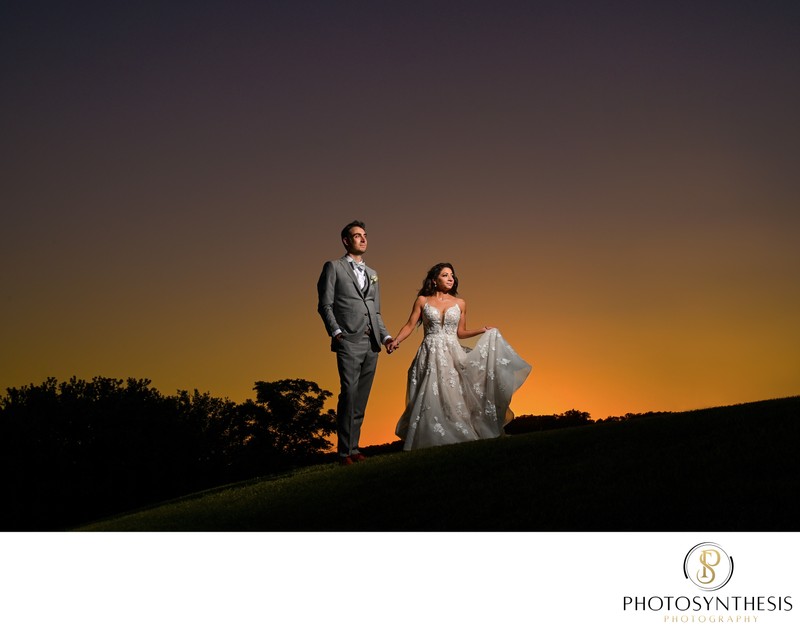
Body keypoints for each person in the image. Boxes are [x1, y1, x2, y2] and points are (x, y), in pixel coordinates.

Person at [388, 262, 531, 451]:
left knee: (454, 393)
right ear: (434, 279)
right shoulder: (422, 300)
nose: (450, 278)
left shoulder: (460, 303)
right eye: (445, 275)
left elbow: (460, 333)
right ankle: (430, 437)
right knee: (430, 395)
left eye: (452, 275)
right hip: (429, 352)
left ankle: (461, 432)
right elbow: (409, 325)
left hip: (452, 352)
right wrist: (396, 340)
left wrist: (482, 330)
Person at [317, 220, 394, 465]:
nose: (362, 239)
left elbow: (376, 310)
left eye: (365, 235)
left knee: (361, 397)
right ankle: (343, 453)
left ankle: (354, 448)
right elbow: (325, 304)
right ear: (346, 240)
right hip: (348, 339)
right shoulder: (334, 267)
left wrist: (386, 336)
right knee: (349, 394)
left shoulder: (373, 274)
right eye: (357, 235)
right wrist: (336, 331)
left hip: (372, 342)